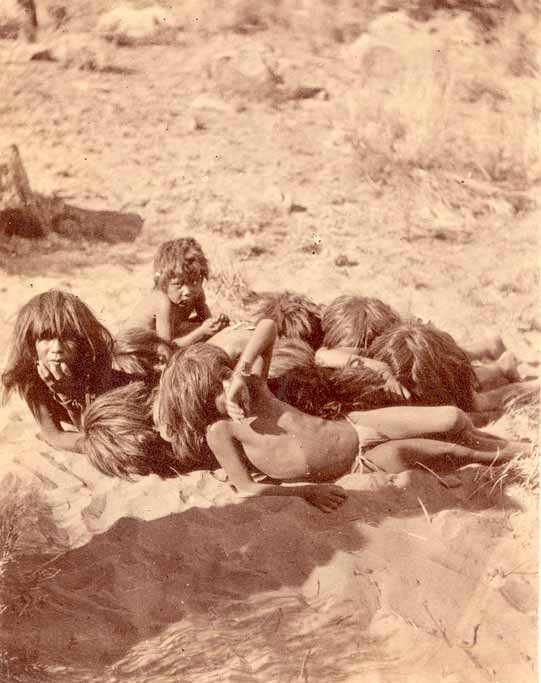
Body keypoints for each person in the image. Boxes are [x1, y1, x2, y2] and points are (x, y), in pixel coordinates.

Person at [155, 319, 525, 512]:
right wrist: (308, 492)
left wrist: (238, 374)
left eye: (224, 375)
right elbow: (246, 491)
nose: (227, 387)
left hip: (357, 425)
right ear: (201, 402)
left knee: (452, 419)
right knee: (460, 455)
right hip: (360, 463)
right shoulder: (221, 432)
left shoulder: (253, 386)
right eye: (217, 388)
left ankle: (518, 447)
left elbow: (268, 327)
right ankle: (524, 455)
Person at [1, 289, 131, 453]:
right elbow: (54, 435)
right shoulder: (30, 377)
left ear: (81, 341)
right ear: (31, 344)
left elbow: (90, 429)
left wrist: (68, 394)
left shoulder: (92, 366)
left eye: (67, 337)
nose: (57, 348)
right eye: (46, 338)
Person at [126, 238, 229, 348]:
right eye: (178, 284)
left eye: (194, 281)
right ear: (163, 283)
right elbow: (166, 349)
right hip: (134, 348)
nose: (187, 291)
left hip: (165, 338)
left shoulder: (195, 292)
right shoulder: (162, 302)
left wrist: (216, 324)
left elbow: (205, 321)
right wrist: (202, 332)